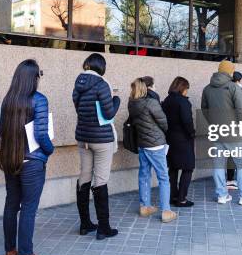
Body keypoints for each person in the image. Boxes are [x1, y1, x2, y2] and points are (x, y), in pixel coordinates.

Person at [0, 59, 54, 255]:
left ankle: (10, 251)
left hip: (10, 159)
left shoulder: (8, 100)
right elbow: (41, 134)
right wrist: (49, 150)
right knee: (28, 209)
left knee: (11, 205)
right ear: (34, 78)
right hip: (32, 162)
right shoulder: (39, 99)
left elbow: (1, 131)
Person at [72, 53, 120, 240]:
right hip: (101, 140)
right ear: (101, 66)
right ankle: (103, 228)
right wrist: (116, 100)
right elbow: (108, 114)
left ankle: (85, 224)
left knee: (84, 176)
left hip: (83, 137)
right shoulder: (102, 84)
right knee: (100, 180)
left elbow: (79, 109)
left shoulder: (78, 84)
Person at [201, 60, 242, 206]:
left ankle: (222, 195)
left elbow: (204, 109)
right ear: (230, 71)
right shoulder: (233, 87)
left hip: (217, 132)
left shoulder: (207, 88)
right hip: (234, 133)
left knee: (218, 165)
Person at [128, 78, 177, 223]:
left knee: (144, 174)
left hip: (142, 143)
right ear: (147, 88)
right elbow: (164, 122)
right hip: (155, 145)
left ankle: (145, 206)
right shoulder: (151, 102)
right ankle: (166, 211)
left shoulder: (132, 102)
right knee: (163, 177)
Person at [162, 77, 195, 207]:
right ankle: (182, 198)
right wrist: (192, 133)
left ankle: (173, 196)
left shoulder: (166, 101)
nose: (187, 91)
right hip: (183, 139)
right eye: (187, 88)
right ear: (182, 88)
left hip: (169, 138)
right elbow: (187, 121)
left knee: (173, 168)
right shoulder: (183, 102)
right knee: (188, 167)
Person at [227, 71, 242, 188]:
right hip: (235, 126)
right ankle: (233, 179)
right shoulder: (236, 90)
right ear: (239, 80)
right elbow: (240, 108)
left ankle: (230, 178)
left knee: (229, 154)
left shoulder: (226, 89)